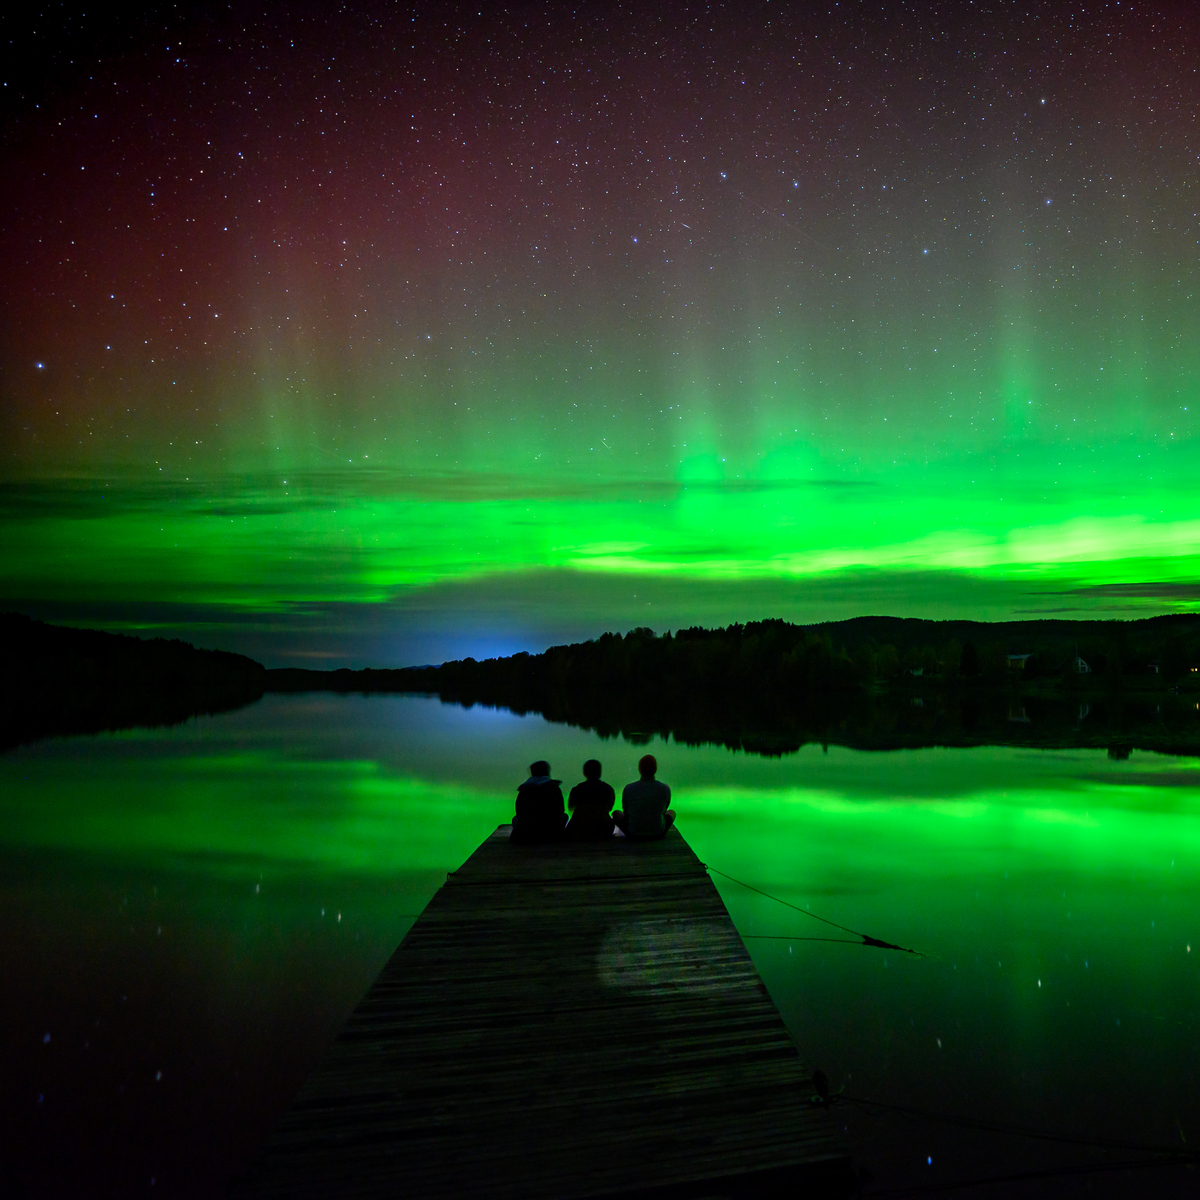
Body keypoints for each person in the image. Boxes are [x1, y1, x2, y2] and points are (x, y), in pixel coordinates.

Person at [614, 754, 675, 839]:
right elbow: (664, 810)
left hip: (633, 834)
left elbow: (626, 812)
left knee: (616, 813)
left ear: (640, 769)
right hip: (658, 833)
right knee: (671, 812)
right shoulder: (664, 788)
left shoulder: (629, 788)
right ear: (655, 769)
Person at [510, 760, 566, 843]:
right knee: (565, 816)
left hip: (526, 832)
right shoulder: (554, 788)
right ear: (547, 772)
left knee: (515, 819)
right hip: (550, 831)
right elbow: (560, 810)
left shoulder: (524, 789)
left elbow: (519, 811)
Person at [565, 759, 616, 841]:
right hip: (603, 831)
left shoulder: (576, 789)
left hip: (578, 831)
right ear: (600, 772)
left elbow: (571, 808)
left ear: (584, 773)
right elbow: (609, 808)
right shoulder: (607, 788)